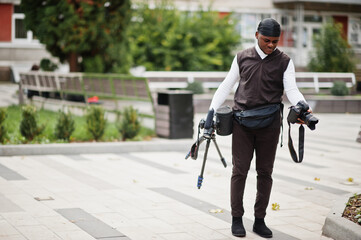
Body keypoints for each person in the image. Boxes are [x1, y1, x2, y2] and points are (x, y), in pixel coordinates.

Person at [204, 18, 309, 238]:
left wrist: (302, 105)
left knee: (265, 172)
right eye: (266, 40)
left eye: (275, 41)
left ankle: (259, 220)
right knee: (239, 171)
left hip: (269, 125)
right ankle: (236, 219)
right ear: (256, 36)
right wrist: (210, 113)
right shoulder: (242, 57)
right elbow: (226, 86)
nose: (271, 45)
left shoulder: (284, 61)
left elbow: (291, 89)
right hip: (242, 124)